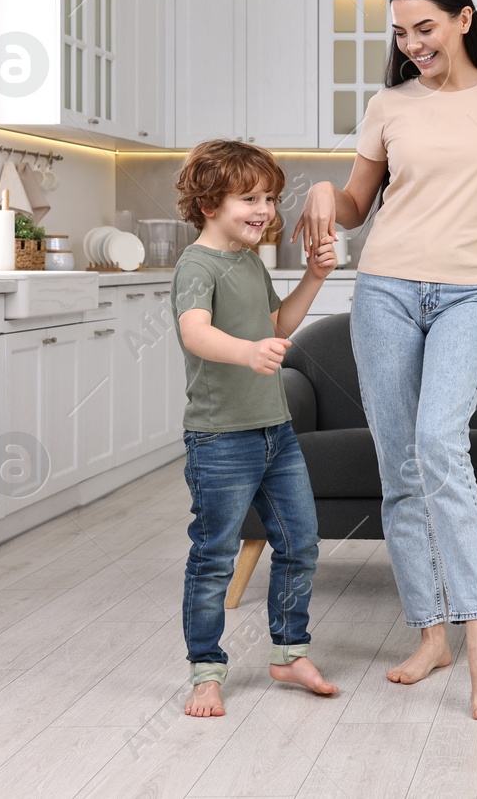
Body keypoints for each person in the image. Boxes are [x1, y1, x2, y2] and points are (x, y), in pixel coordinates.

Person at [293, 0, 477, 720]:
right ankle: (429, 631)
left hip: (472, 290)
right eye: (401, 32)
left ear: (463, 20)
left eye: (426, 27)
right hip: (383, 288)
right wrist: (324, 192)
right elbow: (355, 205)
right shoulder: (389, 103)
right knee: (399, 462)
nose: (413, 43)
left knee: (440, 441)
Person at [171, 139, 342, 718]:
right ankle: (205, 670)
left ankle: (290, 651)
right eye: (249, 197)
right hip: (221, 438)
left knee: (301, 543)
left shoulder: (247, 260)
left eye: (268, 196)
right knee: (214, 555)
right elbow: (194, 332)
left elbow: (277, 322)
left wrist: (314, 278)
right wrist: (247, 353)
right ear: (208, 203)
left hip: (276, 431)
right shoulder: (196, 264)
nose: (266, 208)